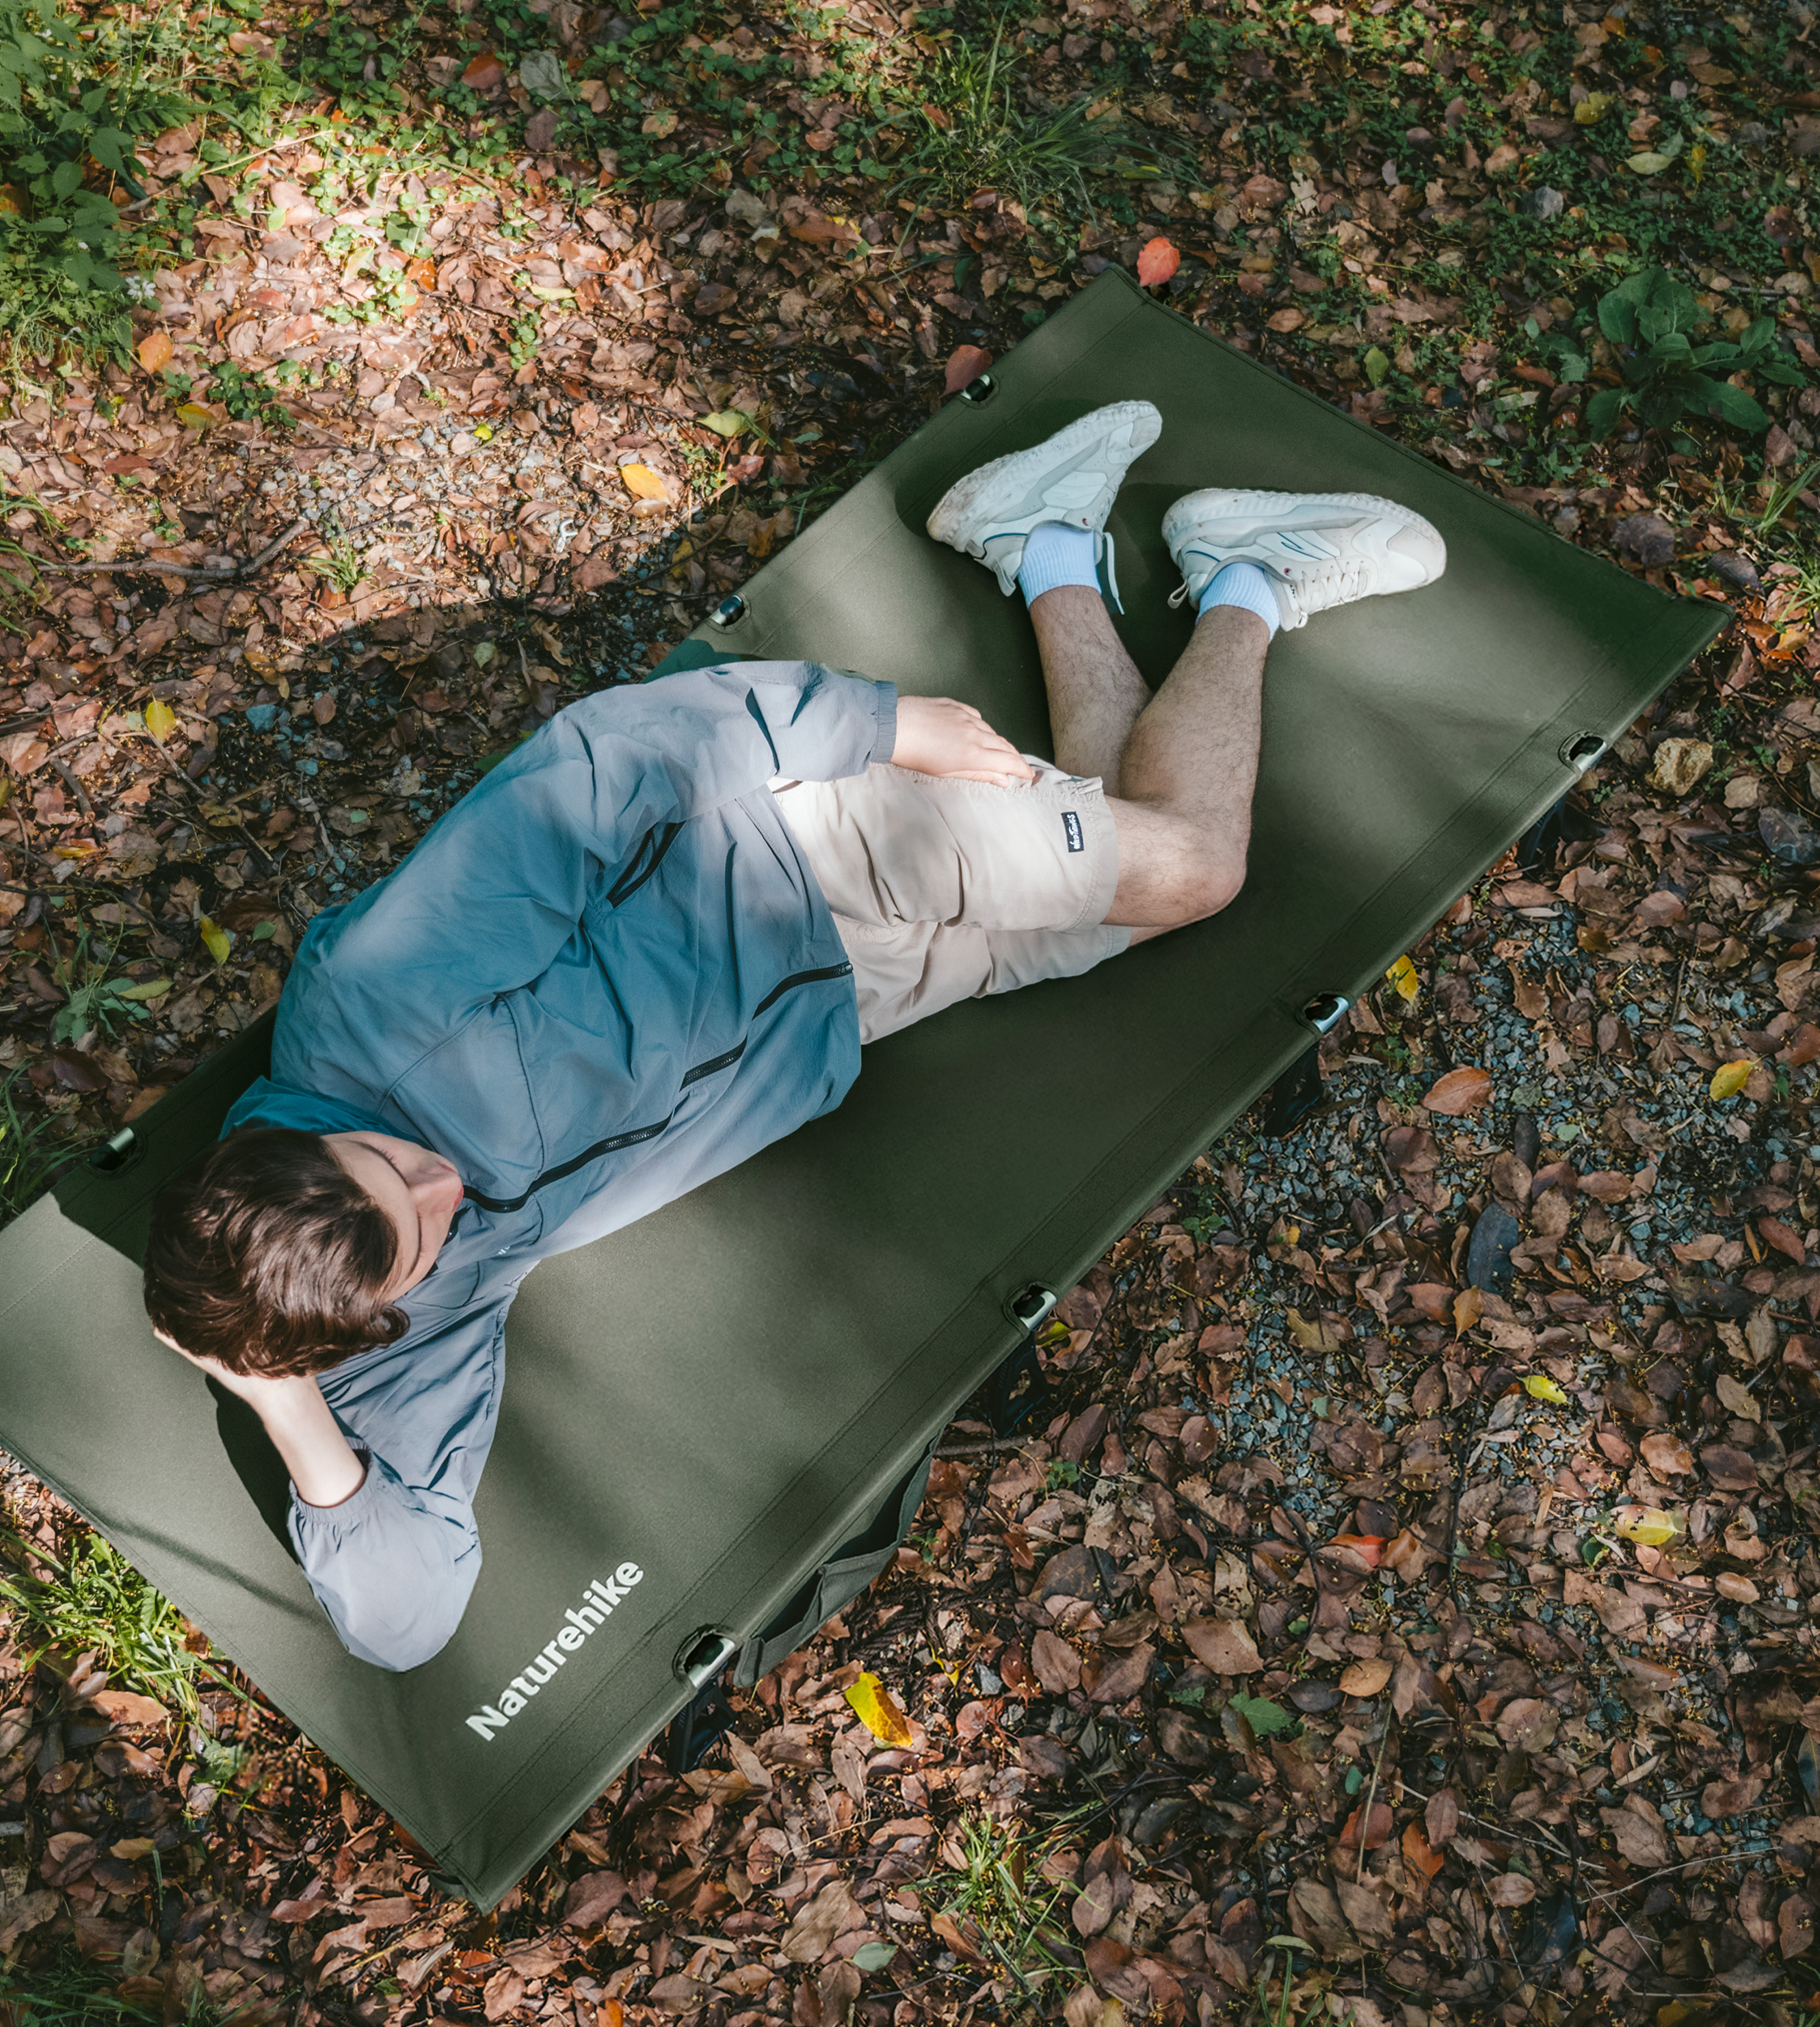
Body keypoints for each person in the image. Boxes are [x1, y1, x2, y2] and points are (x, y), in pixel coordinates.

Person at [142, 403, 1447, 1669]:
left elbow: (600, 767)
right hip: (847, 1002)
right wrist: (283, 1407)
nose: (443, 1190)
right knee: (1134, 866)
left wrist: (877, 725)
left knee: (1194, 872)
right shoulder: (397, 1324)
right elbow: (403, 1619)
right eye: (418, 1234)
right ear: (366, 1324)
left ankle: (1251, 581)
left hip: (806, 847)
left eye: (392, 1162)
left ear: (317, 1142)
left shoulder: (376, 1003)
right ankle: (1042, 539)